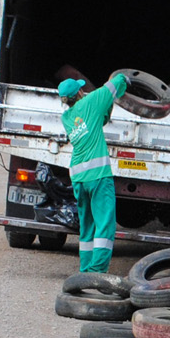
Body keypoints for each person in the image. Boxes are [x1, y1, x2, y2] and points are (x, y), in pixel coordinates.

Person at [59, 70, 128, 272]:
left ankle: (85, 270)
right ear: (80, 92)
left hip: (79, 177)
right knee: (105, 224)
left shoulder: (67, 117)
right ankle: (97, 272)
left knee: (87, 227)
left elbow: (102, 119)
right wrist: (123, 78)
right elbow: (118, 82)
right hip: (98, 176)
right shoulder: (91, 101)